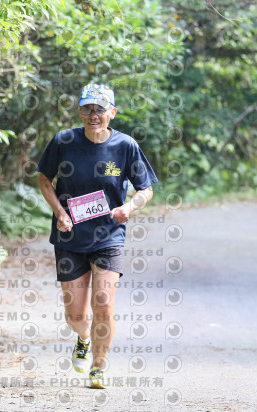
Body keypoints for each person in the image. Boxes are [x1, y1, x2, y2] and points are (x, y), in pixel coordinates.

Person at [37, 83, 158, 389]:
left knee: (103, 303)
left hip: (109, 235)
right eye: (87, 109)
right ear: (80, 112)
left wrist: (129, 207)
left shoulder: (125, 146)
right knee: (76, 315)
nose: (93, 115)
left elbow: (146, 189)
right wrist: (60, 212)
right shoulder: (64, 141)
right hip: (69, 236)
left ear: (112, 112)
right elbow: (44, 179)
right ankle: (83, 337)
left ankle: (99, 367)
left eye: (100, 110)